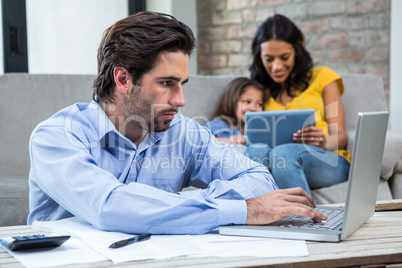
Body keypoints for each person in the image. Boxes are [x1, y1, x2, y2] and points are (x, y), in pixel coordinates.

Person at [28, 11, 326, 235]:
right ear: (123, 79)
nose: (181, 100)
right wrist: (240, 209)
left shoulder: (182, 132)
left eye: (182, 83)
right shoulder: (56, 137)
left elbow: (259, 179)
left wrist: (187, 206)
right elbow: (109, 207)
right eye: (167, 83)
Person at [249, 14, 351, 195]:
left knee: (284, 153)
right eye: (269, 59)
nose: (276, 66)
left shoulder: (324, 78)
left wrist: (323, 141)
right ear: (259, 56)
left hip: (328, 160)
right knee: (258, 152)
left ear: (297, 50)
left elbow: (341, 136)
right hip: (278, 161)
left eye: (284, 57)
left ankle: (302, 221)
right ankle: (254, 218)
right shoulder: (258, 90)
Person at [205, 77, 268, 145]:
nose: (253, 108)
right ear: (232, 102)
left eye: (259, 104)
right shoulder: (219, 124)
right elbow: (203, 141)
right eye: (247, 102)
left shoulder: (259, 129)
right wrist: (229, 140)